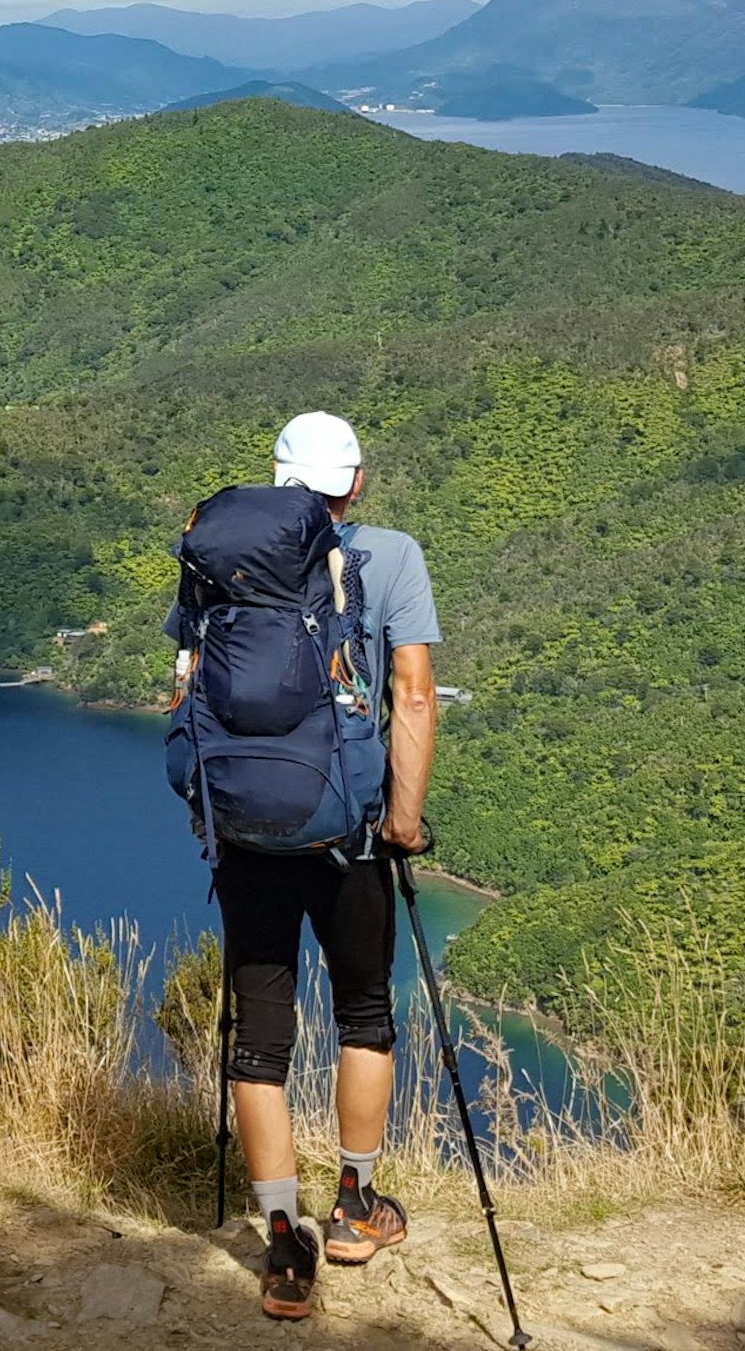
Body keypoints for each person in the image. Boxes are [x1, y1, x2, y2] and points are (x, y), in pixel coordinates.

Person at [181, 408, 438, 1322]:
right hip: (351, 833)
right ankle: (356, 1210)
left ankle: (282, 1248)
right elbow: (411, 692)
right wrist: (402, 819)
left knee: (261, 1040)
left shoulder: (219, 556)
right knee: (365, 1015)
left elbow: (186, 686)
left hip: (247, 830)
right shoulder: (393, 556)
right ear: (356, 484)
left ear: (279, 481)